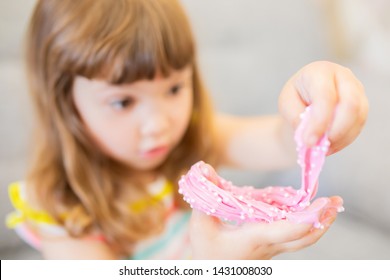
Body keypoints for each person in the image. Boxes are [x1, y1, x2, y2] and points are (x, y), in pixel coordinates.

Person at [6, 0, 368, 260]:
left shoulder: (192, 135)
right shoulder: (59, 206)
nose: (160, 124)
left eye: (175, 88)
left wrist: (315, 113)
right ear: (64, 103)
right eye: (123, 102)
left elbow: (280, 141)